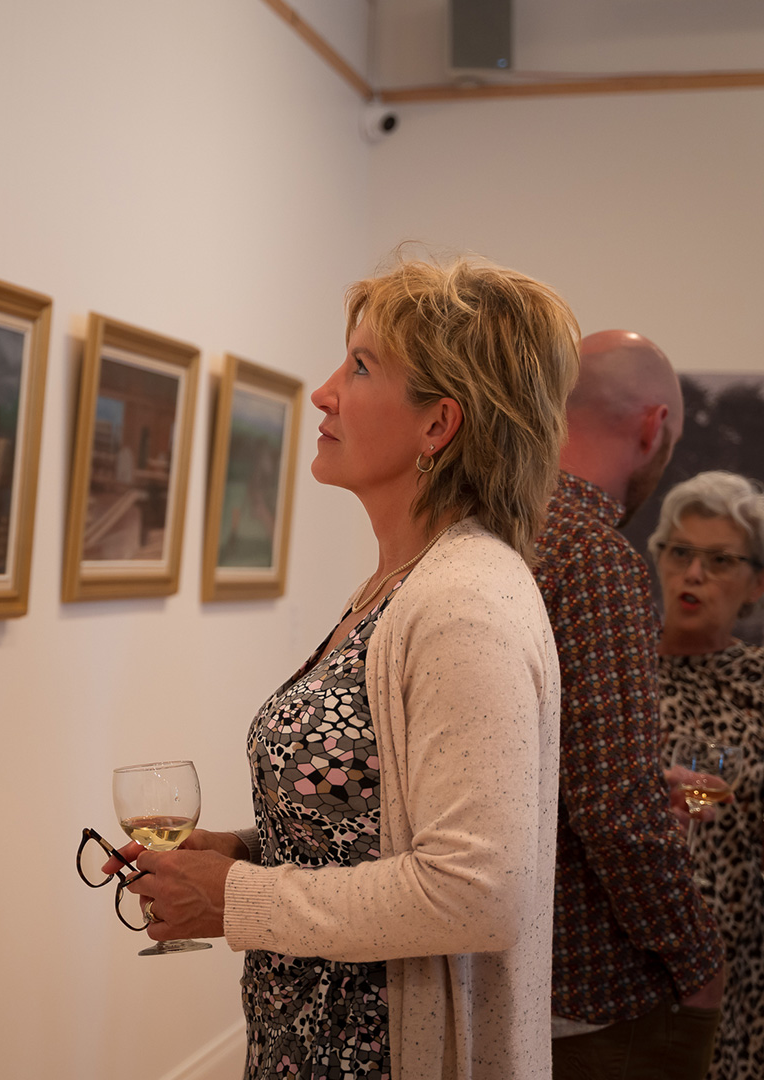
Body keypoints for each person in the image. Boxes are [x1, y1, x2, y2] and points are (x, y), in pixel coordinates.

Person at [116, 256, 578, 1079]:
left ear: (439, 425)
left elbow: (479, 890)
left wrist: (234, 897)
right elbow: (378, 829)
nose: (324, 392)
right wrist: (247, 852)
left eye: (360, 367)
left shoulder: (465, 603)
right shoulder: (404, 583)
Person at [531, 330, 725, 1080]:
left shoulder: (498, 530)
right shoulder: (597, 557)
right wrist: (695, 952)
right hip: (588, 990)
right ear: (653, 427)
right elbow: (612, 808)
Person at [649, 471, 764, 1080]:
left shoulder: (758, 685)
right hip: (625, 960)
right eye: (681, 552)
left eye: (719, 560)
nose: (693, 574)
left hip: (740, 965)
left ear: (756, 584)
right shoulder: (619, 671)